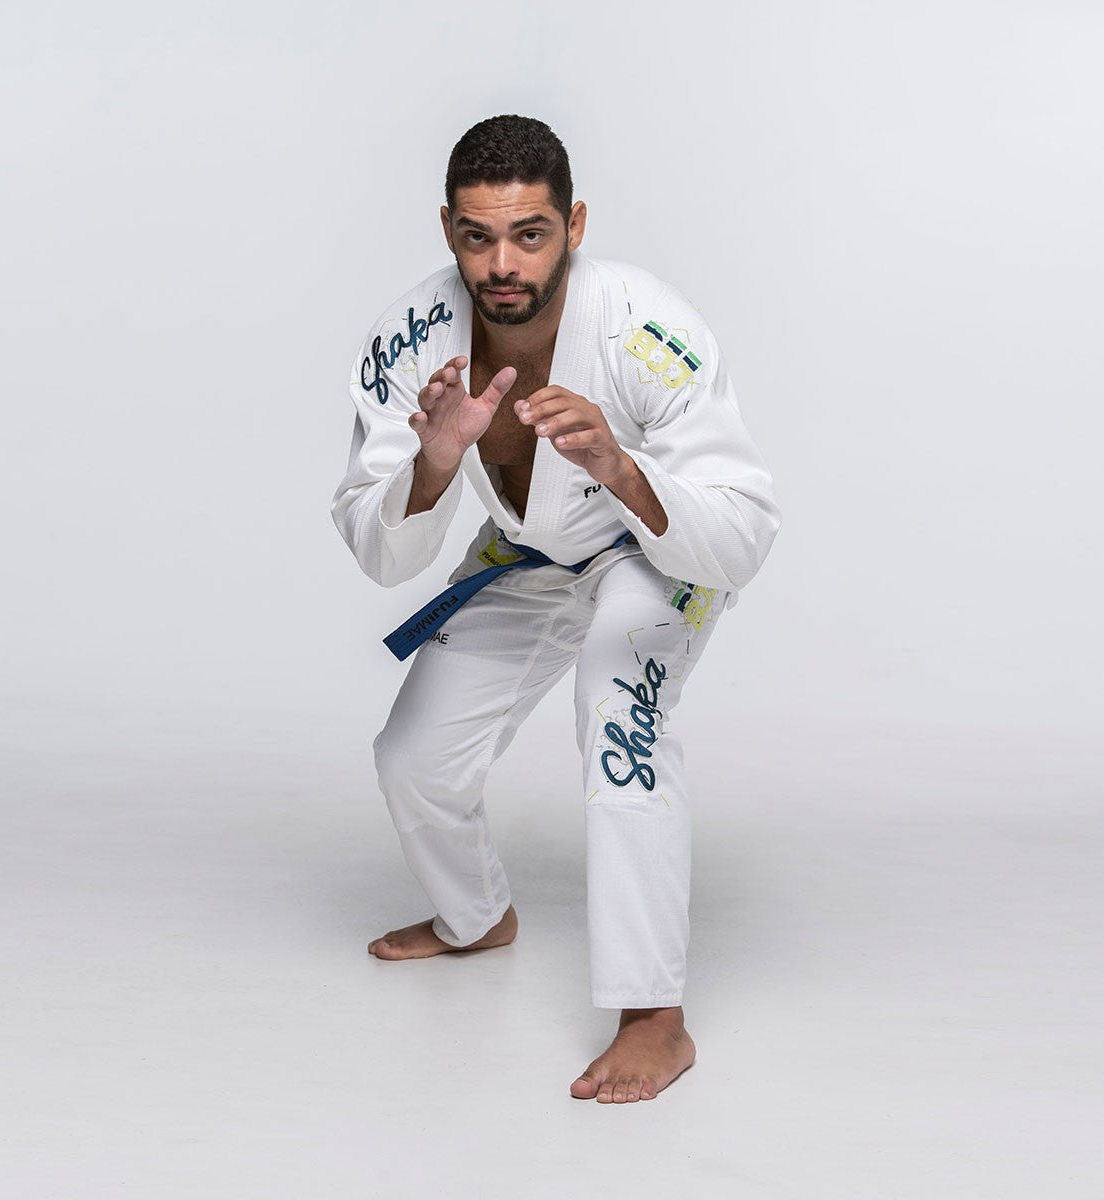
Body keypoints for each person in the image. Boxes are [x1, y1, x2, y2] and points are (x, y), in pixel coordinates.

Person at [332, 115, 779, 1103]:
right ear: (448, 230)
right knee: (412, 756)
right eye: (478, 236)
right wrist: (435, 464)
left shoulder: (648, 332)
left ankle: (654, 1015)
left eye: (529, 234)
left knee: (618, 717)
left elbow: (746, 530)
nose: (503, 264)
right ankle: (475, 918)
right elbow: (376, 546)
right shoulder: (411, 340)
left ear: (573, 224)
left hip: (656, 553)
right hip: (525, 555)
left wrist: (621, 466)